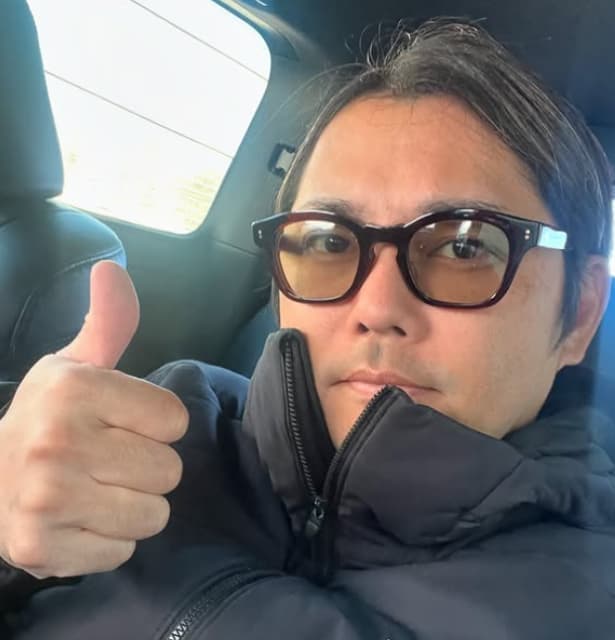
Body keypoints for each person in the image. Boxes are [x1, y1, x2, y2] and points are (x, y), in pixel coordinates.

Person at [1, 18, 614, 640]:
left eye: (464, 247)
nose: (378, 307)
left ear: (581, 312)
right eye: (328, 240)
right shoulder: (164, 425)